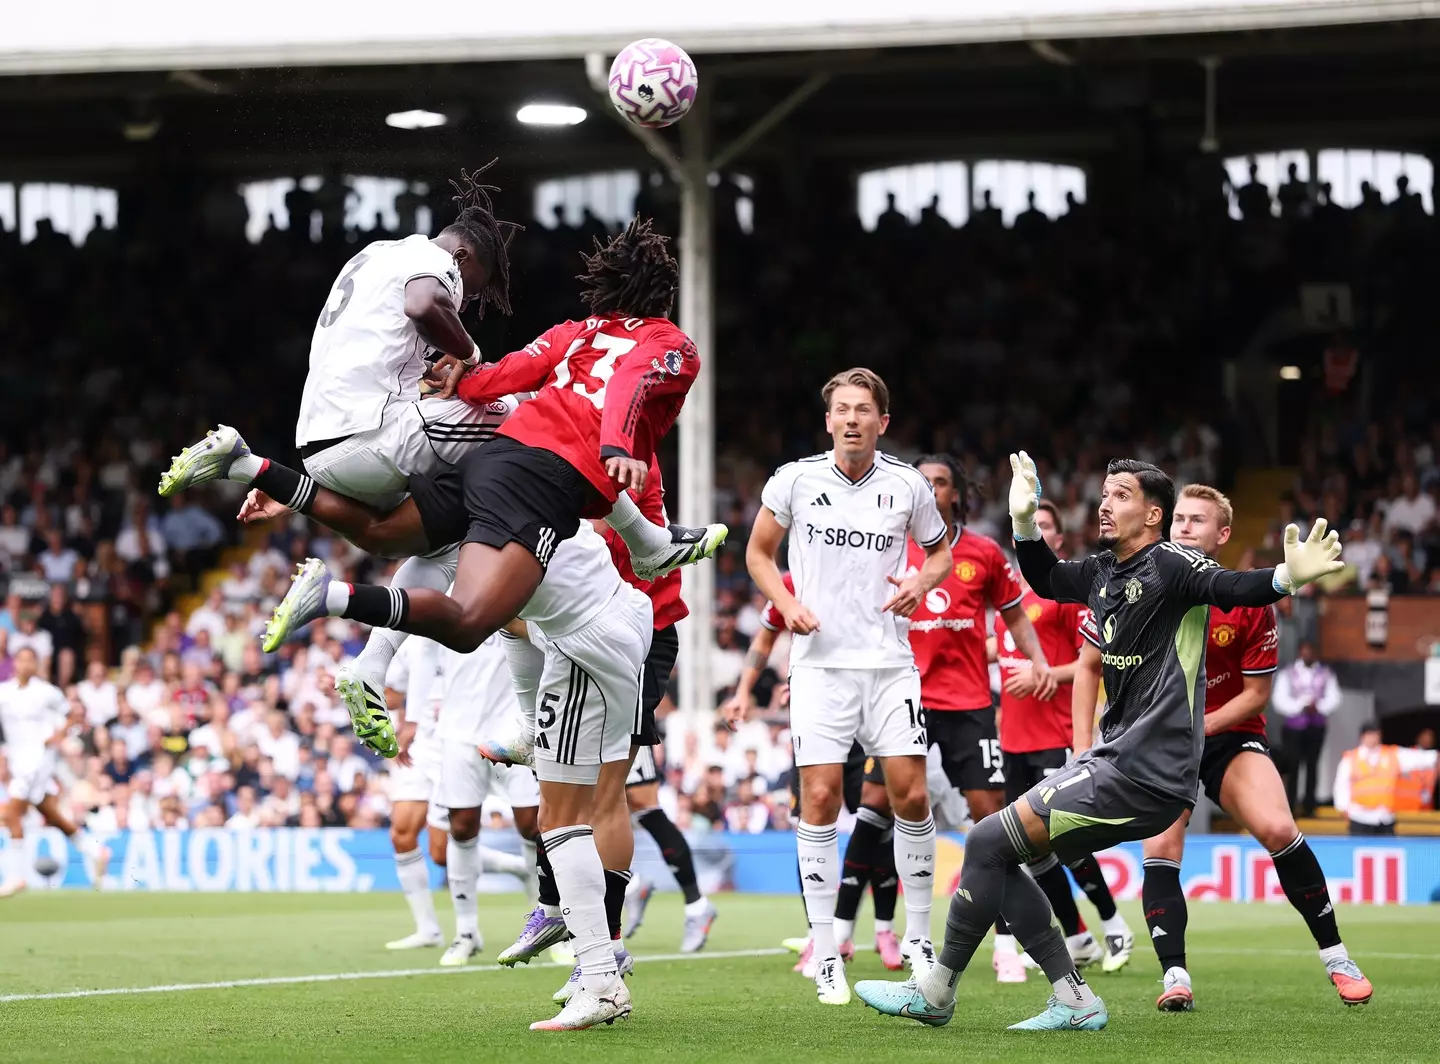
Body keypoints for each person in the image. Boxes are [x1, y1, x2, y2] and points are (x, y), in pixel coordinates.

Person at [157, 191, 716, 756]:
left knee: (393, 536)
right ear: (466, 256)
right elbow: (436, 314)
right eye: (474, 287)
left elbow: (504, 371)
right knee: (531, 433)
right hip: (399, 437)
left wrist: (466, 377)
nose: (466, 299)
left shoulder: (381, 254)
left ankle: (258, 475)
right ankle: (646, 544)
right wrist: (470, 358)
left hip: (322, 441)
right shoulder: (437, 267)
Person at [854, 453, 1344, 1032]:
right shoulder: (1105, 571)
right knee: (999, 850)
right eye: (1105, 493)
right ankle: (1072, 996)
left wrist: (1285, 577)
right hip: (1121, 763)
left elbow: (1232, 586)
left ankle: (941, 990)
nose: (1105, 504)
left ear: (1154, 514)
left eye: (1121, 495)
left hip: (1146, 770)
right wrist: (1023, 523)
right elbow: (1046, 578)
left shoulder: (1174, 564)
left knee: (987, 841)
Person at [1114, 484, 1370, 1010]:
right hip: (1162, 741)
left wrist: (1197, 726)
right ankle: (1175, 978)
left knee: (1278, 828)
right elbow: (1101, 664)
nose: (1185, 526)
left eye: (1198, 520)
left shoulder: (1247, 601)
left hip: (1228, 736)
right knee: (1160, 848)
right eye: (1179, 518)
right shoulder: (1141, 589)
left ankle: (1338, 958)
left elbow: (1255, 694)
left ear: (1223, 534)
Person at [746, 367, 953, 1007]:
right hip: (820, 668)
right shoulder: (795, 479)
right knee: (819, 797)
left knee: (911, 793)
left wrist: (920, 581)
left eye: (864, 409)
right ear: (828, 420)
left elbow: (940, 553)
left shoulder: (908, 485)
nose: (853, 419)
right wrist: (787, 603)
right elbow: (758, 554)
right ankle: (826, 950)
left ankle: (919, 939)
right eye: (842, 409)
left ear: (882, 422)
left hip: (889, 664)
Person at [845, 452, 1056, 983]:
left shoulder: (983, 552)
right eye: (923, 481)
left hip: (968, 703)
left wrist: (1037, 659)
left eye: (940, 482)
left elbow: (1014, 616)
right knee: (876, 806)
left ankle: (1006, 945)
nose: (931, 489)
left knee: (991, 820)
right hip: (903, 697)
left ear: (955, 493)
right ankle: (839, 935)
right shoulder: (888, 546)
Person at [990, 499, 1132, 976]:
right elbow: (1000, 651)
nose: (1038, 531)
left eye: (1046, 525)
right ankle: (1078, 937)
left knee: (1064, 840)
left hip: (1054, 734)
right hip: (1013, 739)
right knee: (1029, 848)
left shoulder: (1065, 595)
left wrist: (1045, 675)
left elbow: (1092, 663)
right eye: (1031, 525)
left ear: (1057, 539)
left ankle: (1114, 925)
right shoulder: (1010, 601)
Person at [722, 574, 888, 974]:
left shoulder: (868, 563)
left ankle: (884, 928)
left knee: (880, 818)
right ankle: (820, 934)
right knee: (811, 823)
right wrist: (744, 691)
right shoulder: (790, 580)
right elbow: (765, 636)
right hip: (813, 716)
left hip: (866, 713)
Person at [600, 466, 718, 954]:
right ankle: (633, 898)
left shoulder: (628, 466)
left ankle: (686, 905)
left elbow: (602, 523)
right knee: (620, 802)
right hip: (607, 637)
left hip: (636, 635)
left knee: (628, 800)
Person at [431, 631, 538, 968]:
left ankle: (546, 922)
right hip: (458, 730)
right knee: (462, 826)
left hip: (517, 726)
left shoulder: (516, 597)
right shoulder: (449, 600)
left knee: (533, 825)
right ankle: (466, 933)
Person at [0, 647, 111, 896]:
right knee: (49, 813)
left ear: (36, 664)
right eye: (21, 660)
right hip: (18, 760)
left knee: (13, 813)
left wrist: (58, 736)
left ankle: (16, 876)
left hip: (38, 759)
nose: (25, 664)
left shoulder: (47, 692)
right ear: (14, 663)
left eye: (30, 660)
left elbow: (73, 716)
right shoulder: (4, 692)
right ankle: (95, 850)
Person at [380, 636, 452, 952]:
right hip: (416, 747)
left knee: (441, 853)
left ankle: (520, 869)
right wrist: (350, 687)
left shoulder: (469, 624)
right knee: (401, 833)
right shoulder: (404, 638)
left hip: (454, 741)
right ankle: (428, 929)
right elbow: (392, 695)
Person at [1272, 641, 1341, 816]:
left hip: (1316, 725)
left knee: (1312, 764)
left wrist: (1319, 707)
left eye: (1310, 651)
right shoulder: (1287, 673)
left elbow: (1334, 698)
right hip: (1293, 727)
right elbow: (1279, 700)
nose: (1307, 654)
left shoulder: (1326, 673)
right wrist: (1299, 706)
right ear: (1299, 652)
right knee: (1292, 765)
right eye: (1305, 651)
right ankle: (1291, 804)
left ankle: (1309, 805)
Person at [1333, 722, 1438, 835]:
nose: (1373, 738)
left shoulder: (1391, 754)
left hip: (1384, 817)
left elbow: (1419, 758)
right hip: (1359, 816)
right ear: (1362, 736)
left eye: (1376, 734)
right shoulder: (1351, 759)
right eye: (1370, 735)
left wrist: (1435, 756)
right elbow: (1341, 784)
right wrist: (1343, 807)